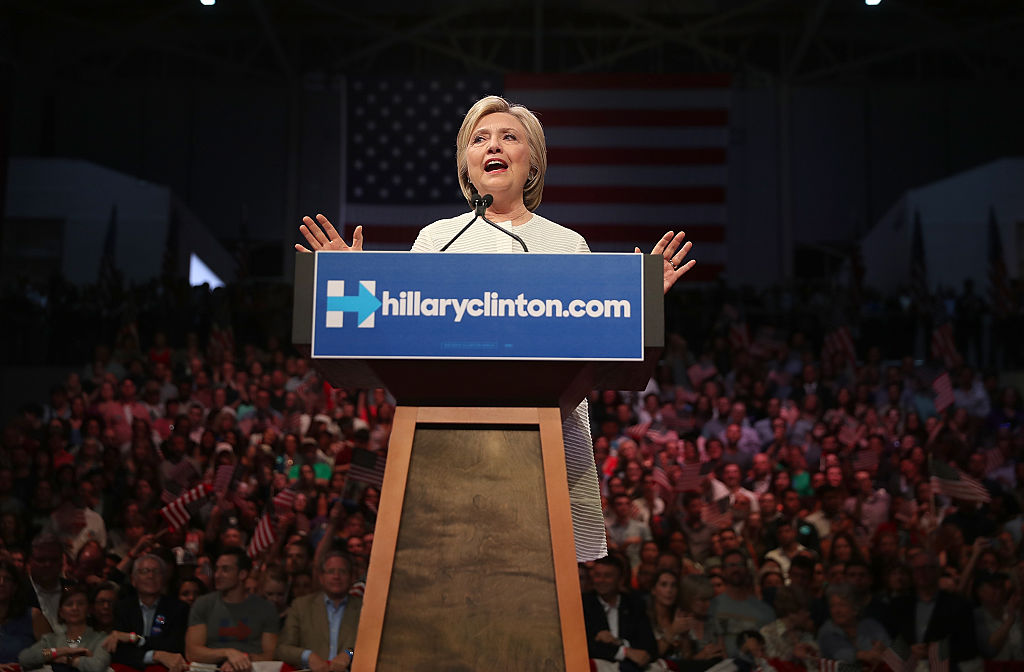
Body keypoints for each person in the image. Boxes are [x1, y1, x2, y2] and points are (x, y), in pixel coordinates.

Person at [297, 94, 696, 563]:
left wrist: (637, 300)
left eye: (510, 137)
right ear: (467, 167)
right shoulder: (436, 239)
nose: (495, 145)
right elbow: (400, 329)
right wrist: (356, 282)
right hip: (451, 439)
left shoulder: (567, 244)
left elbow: (596, 339)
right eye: (480, 138)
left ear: (533, 165)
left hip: (548, 439)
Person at [185, 548, 279, 671]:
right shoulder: (203, 604)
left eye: (225, 569)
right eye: (217, 569)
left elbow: (270, 655)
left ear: (242, 574)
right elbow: (192, 653)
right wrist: (227, 653)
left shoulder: (265, 608)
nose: (217, 575)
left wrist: (242, 659)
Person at [887, 550, 978, 671]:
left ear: (938, 571)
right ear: (912, 573)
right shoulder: (898, 605)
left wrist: (935, 652)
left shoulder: (958, 604)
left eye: (929, 568)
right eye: (918, 569)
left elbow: (968, 646)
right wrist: (908, 651)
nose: (923, 573)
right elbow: (888, 640)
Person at [276, 551, 362, 672]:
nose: (336, 576)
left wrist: (349, 654)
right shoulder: (301, 606)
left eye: (342, 572)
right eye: (331, 571)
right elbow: (282, 649)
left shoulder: (363, 609)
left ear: (352, 577)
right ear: (321, 578)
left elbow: (367, 646)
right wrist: (308, 656)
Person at [106, 554, 189, 672]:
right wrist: (155, 656)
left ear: (164, 579)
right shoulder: (123, 607)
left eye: (156, 571)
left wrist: (137, 639)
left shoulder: (178, 608)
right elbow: (119, 651)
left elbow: (174, 646)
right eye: (144, 571)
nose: (151, 576)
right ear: (133, 580)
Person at [581, 556, 657, 671]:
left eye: (607, 576)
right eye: (597, 575)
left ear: (620, 580)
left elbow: (648, 646)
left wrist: (618, 642)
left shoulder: (634, 604)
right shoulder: (584, 604)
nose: (601, 580)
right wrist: (624, 652)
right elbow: (586, 646)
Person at [19, 586, 110, 672]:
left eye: (80, 604)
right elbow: (25, 658)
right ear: (61, 612)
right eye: (69, 604)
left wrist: (68, 660)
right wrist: (57, 652)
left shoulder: (101, 639)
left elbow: (97, 666)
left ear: (89, 610)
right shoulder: (51, 640)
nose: (75, 608)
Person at [708, 549, 775, 657]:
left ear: (747, 569)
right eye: (731, 565)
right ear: (723, 571)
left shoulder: (765, 610)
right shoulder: (712, 606)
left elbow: (771, 647)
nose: (736, 569)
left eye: (740, 564)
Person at [816, 584, 890, 666]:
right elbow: (842, 654)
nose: (836, 611)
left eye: (842, 605)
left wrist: (884, 650)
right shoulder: (827, 631)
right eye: (832, 606)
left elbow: (889, 650)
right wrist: (866, 655)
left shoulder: (871, 625)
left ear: (855, 609)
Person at [0, 559, 47, 667]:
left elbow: (52, 651)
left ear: (15, 587)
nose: (1, 583)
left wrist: (38, 656)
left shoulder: (33, 616)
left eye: (7, 579)